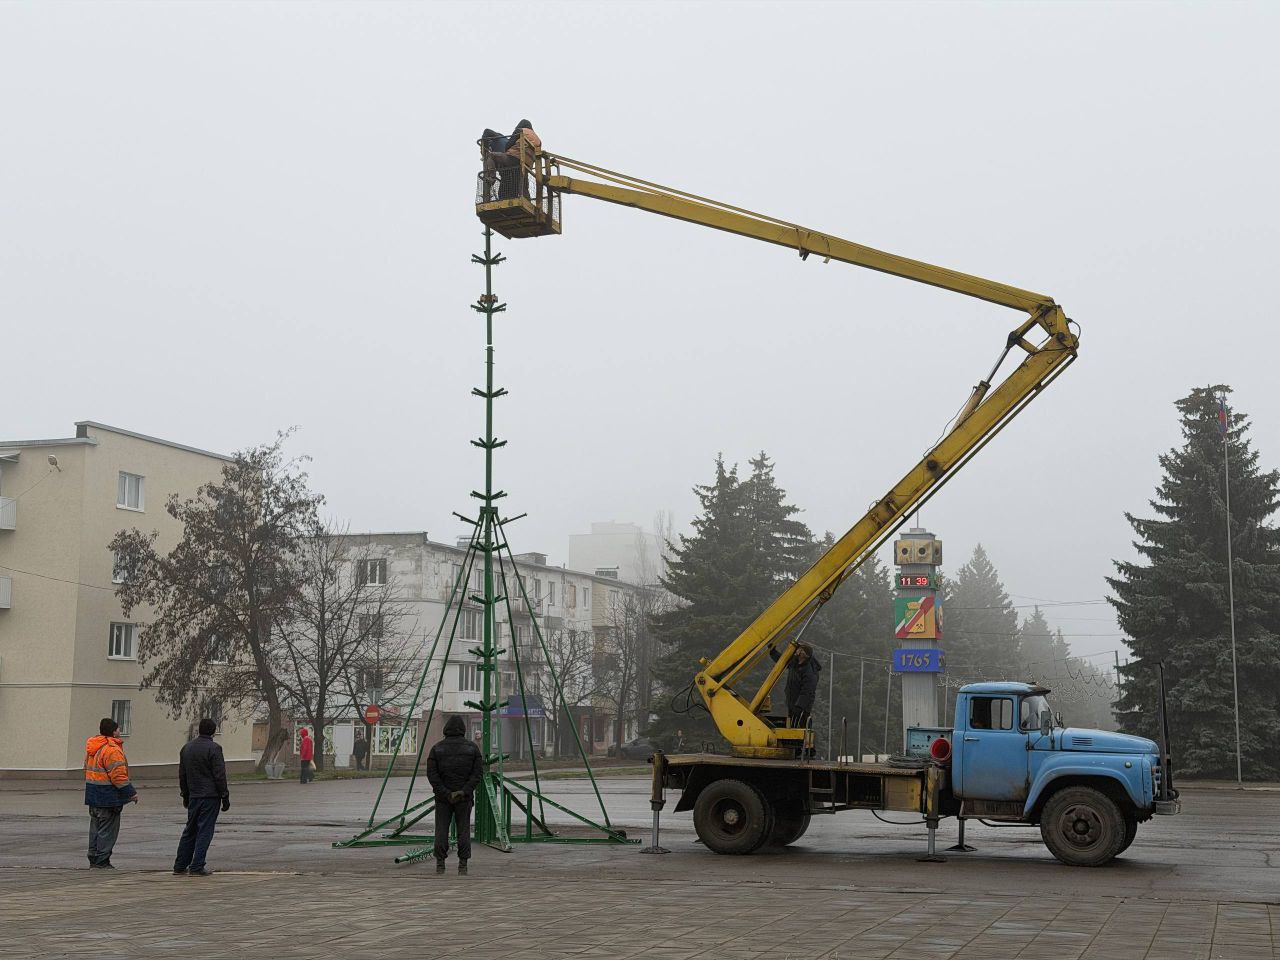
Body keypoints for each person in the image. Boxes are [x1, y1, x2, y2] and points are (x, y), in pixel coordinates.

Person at [426, 715, 483, 875]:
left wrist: (445, 793)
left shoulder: (437, 748)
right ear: (463, 729)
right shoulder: (472, 748)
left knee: (441, 830)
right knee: (463, 830)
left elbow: (432, 774)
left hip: (443, 799)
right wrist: (464, 791)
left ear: (446, 729)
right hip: (463, 798)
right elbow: (477, 773)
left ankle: (440, 864)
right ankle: (463, 865)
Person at [174, 718, 230, 877]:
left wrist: (185, 794)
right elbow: (219, 775)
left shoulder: (186, 748)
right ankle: (197, 865)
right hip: (210, 796)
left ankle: (179, 865)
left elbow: (182, 774)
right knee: (205, 830)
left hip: (194, 795)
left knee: (190, 830)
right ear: (213, 731)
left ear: (199, 731)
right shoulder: (214, 748)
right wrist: (225, 796)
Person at [84, 717, 139, 868]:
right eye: (118, 729)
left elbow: (86, 770)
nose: (120, 731)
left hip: (93, 794)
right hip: (108, 797)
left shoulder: (93, 748)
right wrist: (131, 793)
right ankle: (102, 860)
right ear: (114, 732)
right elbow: (118, 776)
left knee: (95, 829)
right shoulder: (112, 750)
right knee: (107, 831)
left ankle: (93, 858)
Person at [769, 641, 822, 729]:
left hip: (801, 708)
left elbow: (808, 691)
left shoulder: (810, 671)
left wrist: (799, 706)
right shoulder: (794, 663)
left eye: (800, 650)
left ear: (805, 654)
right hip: (792, 704)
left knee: (799, 730)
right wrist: (773, 652)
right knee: (791, 728)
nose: (797, 651)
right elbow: (781, 660)